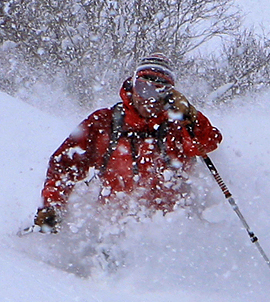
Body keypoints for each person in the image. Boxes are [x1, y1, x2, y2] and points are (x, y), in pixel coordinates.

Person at [32, 54, 222, 231]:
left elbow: (206, 143)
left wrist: (192, 116)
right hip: (112, 229)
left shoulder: (179, 126)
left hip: (170, 231)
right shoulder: (105, 123)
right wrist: (52, 204)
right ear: (133, 87)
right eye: (143, 88)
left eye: (159, 91)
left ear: (170, 96)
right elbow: (65, 165)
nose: (149, 99)